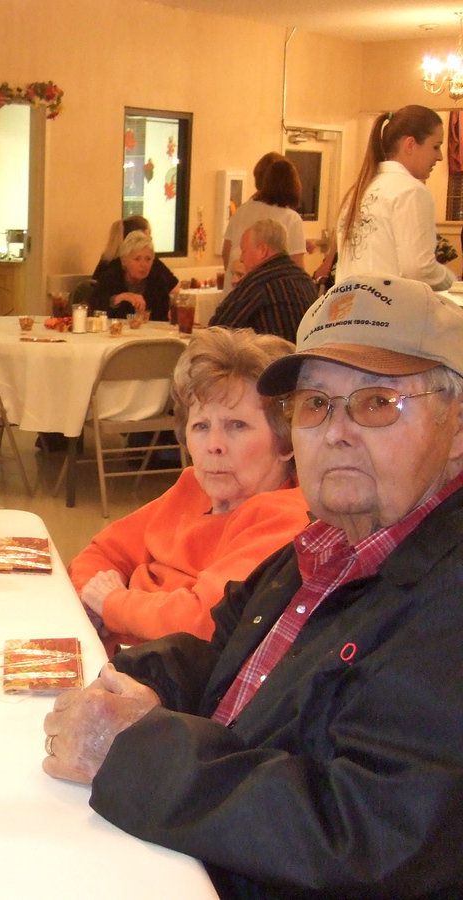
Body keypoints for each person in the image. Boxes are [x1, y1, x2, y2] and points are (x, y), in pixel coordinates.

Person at [43, 273, 463, 898]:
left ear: (457, 428)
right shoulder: (322, 546)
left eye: (377, 402)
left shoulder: (446, 598)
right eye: (315, 404)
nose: (336, 431)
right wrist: (115, 682)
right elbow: (219, 660)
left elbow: (369, 835)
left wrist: (136, 750)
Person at [70, 327, 308, 648]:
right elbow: (102, 553)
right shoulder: (195, 487)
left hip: (162, 669)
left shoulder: (287, 518)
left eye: (237, 425)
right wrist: (91, 600)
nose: (214, 445)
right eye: (201, 426)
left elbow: (203, 620)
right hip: (113, 645)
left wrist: (112, 604)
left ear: (287, 441)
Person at [336, 105, 454, 290]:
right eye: (436, 147)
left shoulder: (358, 190)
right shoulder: (410, 191)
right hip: (387, 305)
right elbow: (418, 268)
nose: (440, 157)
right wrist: (452, 283)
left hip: (348, 304)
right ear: (410, 144)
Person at [208, 218, 319, 342]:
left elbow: (217, 332)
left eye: (244, 251)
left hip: (276, 354)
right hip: (309, 353)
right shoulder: (305, 279)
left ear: (263, 251)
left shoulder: (258, 283)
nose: (242, 259)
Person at [222, 153, 306, 291]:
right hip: (268, 297)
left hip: (234, 295)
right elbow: (297, 272)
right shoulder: (291, 219)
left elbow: (226, 253)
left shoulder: (241, 211)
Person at [90, 230, 179, 321]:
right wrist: (119, 298)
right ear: (124, 261)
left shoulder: (158, 281)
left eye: (148, 259)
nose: (143, 265)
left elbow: (162, 318)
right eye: (137, 259)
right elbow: (95, 310)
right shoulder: (110, 278)